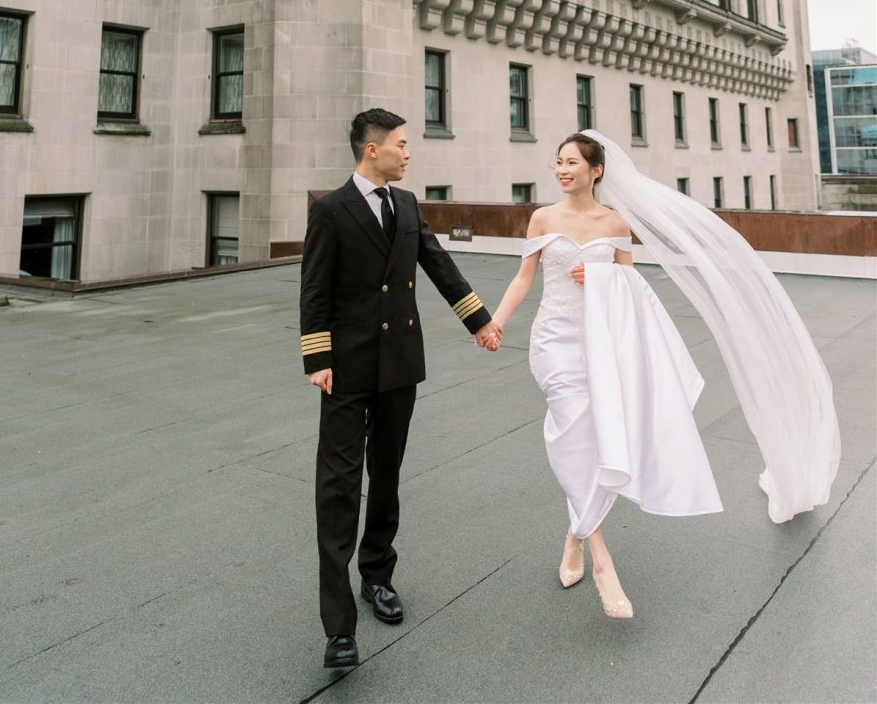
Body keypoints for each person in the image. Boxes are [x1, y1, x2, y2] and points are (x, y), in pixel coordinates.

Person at [488, 131, 840, 622]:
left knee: (598, 442)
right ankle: (604, 564)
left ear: (597, 171)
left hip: (603, 346)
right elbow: (524, 276)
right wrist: (497, 321)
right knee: (568, 437)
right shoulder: (541, 217)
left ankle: (576, 534)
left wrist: (607, 276)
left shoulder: (616, 222)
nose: (562, 169)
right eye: (558, 162)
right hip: (555, 343)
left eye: (572, 162)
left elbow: (633, 285)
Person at [300, 108, 499, 670]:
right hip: (345, 371)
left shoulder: (407, 205)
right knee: (337, 490)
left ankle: (377, 576)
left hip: (400, 368)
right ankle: (337, 627)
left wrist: (478, 320)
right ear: (372, 150)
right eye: (402, 144)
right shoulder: (331, 211)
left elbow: (437, 262)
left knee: (385, 476)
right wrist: (317, 356)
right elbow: (313, 288)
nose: (409, 153)